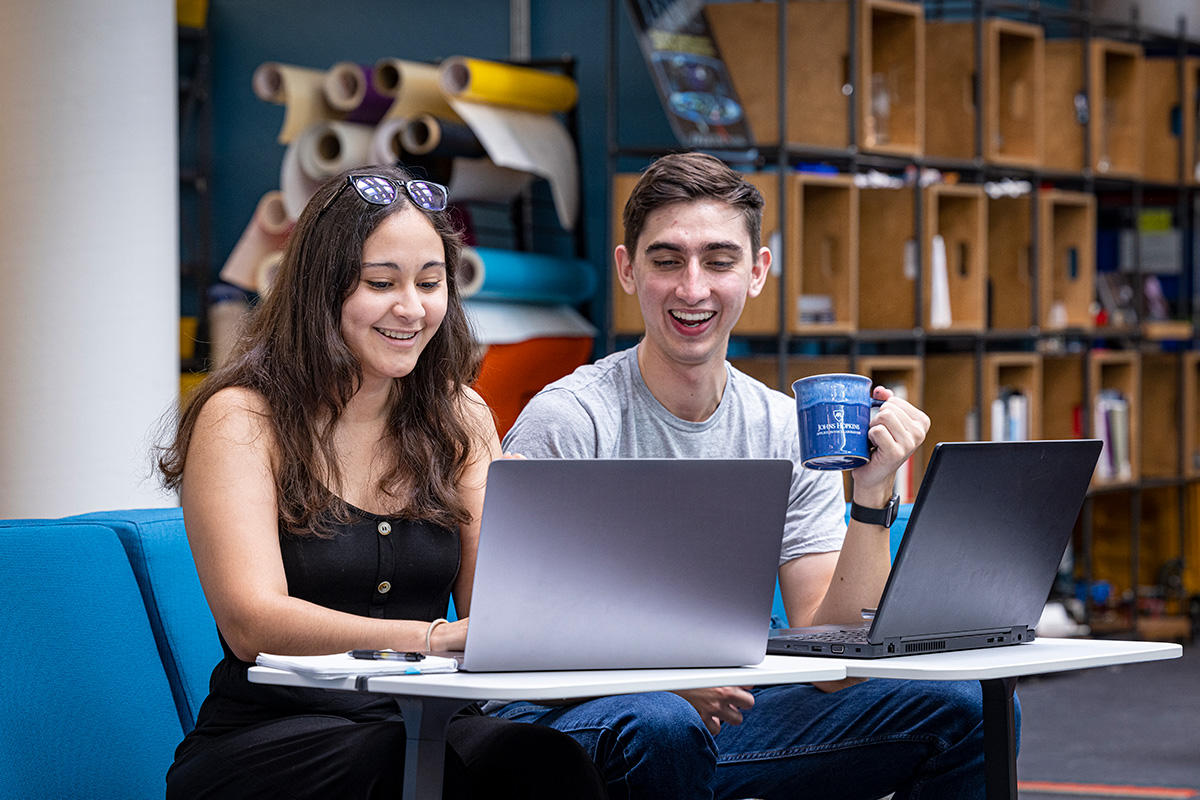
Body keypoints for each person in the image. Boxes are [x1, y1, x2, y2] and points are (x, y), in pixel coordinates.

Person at [490, 152, 1010, 800]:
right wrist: (663, 680)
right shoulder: (570, 420)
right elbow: (516, 637)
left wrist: (873, 494)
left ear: (758, 272)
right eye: (666, 260)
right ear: (627, 269)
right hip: (576, 716)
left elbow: (829, 661)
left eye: (719, 260)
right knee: (662, 722)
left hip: (721, 712)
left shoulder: (786, 428)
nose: (693, 289)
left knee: (970, 710)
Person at [156, 166, 607, 800]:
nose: (412, 308)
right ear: (321, 290)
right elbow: (252, 623)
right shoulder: (241, 417)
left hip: (426, 725)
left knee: (546, 763)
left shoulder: (461, 417)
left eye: (430, 283)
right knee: (404, 767)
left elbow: (499, 612)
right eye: (380, 283)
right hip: (272, 737)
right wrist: (430, 641)